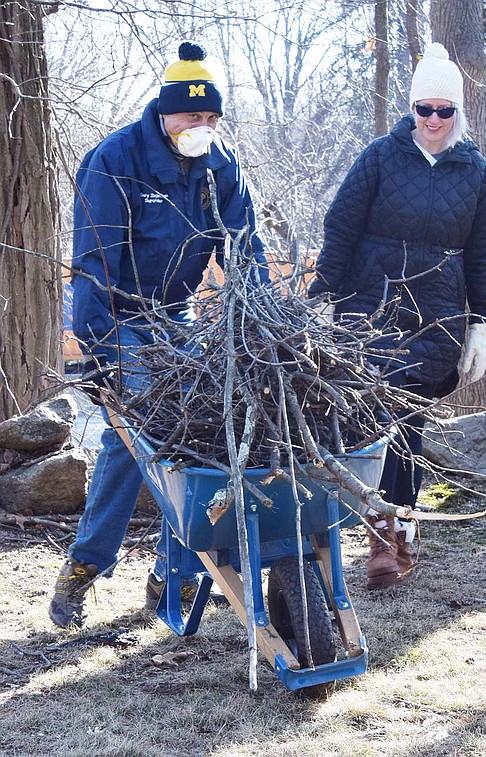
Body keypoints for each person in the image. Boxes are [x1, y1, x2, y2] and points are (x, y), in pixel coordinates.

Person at [49, 42, 269, 628]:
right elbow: (93, 261)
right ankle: (87, 566)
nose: (202, 127)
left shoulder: (220, 166)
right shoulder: (115, 160)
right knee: (145, 430)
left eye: (211, 118)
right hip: (120, 315)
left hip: (176, 315)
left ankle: (174, 573)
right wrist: (96, 349)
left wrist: (263, 322)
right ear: (166, 112)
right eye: (192, 116)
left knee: (194, 432)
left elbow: (245, 248)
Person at [308, 42, 486, 589]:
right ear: (411, 109)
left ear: (457, 112)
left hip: (437, 311)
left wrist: (482, 321)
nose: (433, 121)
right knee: (378, 412)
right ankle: (381, 534)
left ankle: (398, 530)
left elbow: (483, 250)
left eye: (444, 110)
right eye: (424, 110)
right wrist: (324, 292)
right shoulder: (380, 157)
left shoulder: (474, 170)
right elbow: (341, 226)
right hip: (371, 304)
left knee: (408, 421)